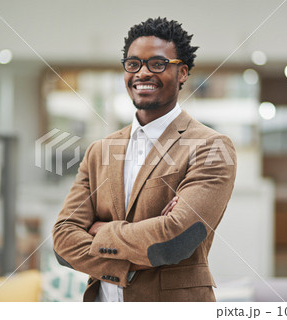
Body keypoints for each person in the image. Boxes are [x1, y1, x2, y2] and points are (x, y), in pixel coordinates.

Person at [52, 17, 237, 302]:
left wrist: (99, 231)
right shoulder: (100, 150)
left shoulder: (211, 147)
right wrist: (134, 253)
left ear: (183, 73)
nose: (142, 73)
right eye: (133, 64)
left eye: (158, 64)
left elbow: (174, 240)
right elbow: (63, 239)